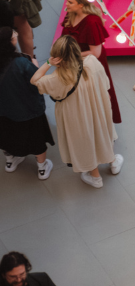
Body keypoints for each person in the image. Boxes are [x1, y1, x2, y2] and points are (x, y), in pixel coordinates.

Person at [30, 36, 120, 188]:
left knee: (85, 140)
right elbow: (105, 85)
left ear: (58, 58)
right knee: (100, 132)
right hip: (96, 107)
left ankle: (95, 177)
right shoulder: (92, 62)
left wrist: (47, 63)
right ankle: (113, 161)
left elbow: (34, 80)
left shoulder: (57, 78)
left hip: (75, 115)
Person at [59, 0, 122, 125]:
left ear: (81, 4)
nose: (66, 5)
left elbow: (95, 53)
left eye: (70, 2)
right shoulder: (71, 14)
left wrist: (70, 56)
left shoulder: (91, 22)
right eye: (67, 1)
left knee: (97, 95)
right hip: (76, 61)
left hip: (90, 65)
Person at [0, 27, 53, 179]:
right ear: (9, 43)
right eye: (13, 35)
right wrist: (40, 63)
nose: (16, 35)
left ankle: (10, 161)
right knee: (36, 138)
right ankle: (42, 168)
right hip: (28, 110)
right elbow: (37, 80)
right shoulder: (21, 63)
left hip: (3, 111)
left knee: (6, 137)